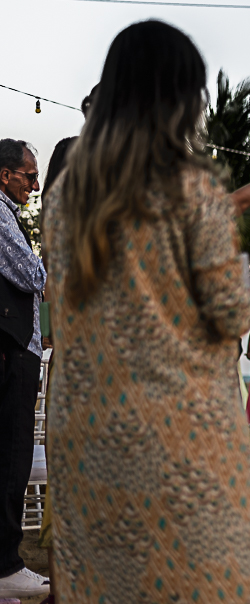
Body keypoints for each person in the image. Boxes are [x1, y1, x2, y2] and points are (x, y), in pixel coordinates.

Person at [42, 20, 250, 603]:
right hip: (173, 426)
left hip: (88, 422)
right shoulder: (189, 187)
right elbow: (228, 313)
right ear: (178, 97)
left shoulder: (65, 194)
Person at [0, 139, 49, 599]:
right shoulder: (0, 216)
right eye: (29, 175)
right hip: (13, 349)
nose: (34, 183)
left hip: (17, 346)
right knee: (13, 455)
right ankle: (6, 562)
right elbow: (32, 278)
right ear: (5, 175)